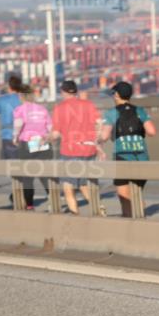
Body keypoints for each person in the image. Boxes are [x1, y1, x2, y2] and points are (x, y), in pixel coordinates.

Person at [101, 81, 157, 218]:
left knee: (124, 196)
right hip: (141, 156)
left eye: (114, 94)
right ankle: (139, 216)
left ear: (117, 95)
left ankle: (129, 221)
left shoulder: (111, 113)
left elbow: (104, 136)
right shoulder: (140, 111)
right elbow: (152, 131)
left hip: (122, 156)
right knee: (136, 192)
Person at [50, 80, 103, 215]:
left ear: (63, 92)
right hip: (89, 149)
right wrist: (96, 142)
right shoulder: (88, 105)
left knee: (68, 185)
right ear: (76, 91)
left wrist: (44, 139)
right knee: (84, 183)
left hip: (70, 150)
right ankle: (99, 209)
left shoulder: (59, 108)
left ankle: (75, 215)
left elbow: (55, 135)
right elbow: (99, 124)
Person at [12, 85, 53, 209]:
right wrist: (46, 138)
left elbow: (18, 124)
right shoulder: (42, 109)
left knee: (27, 176)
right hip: (42, 142)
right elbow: (51, 127)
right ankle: (53, 199)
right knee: (45, 174)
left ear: (21, 96)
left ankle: (29, 204)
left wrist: (15, 137)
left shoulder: (20, 109)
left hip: (27, 143)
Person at [0, 75, 23, 160]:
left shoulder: (1, 100)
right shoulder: (24, 99)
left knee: (11, 165)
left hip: (8, 136)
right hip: (25, 136)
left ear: (9, 86)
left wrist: (1, 112)